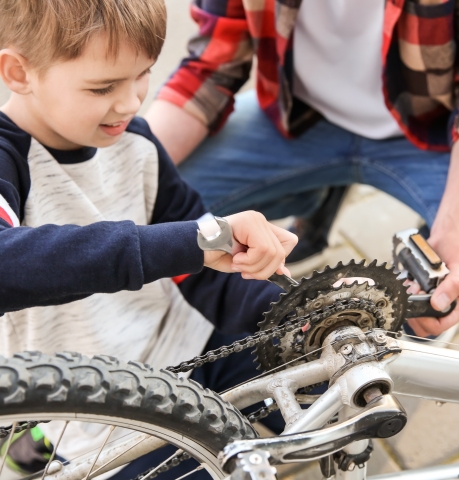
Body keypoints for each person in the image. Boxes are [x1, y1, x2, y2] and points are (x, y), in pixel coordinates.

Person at [0, 0, 297, 476]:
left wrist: (288, 311)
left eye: (142, 75)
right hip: (101, 409)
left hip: (193, 341)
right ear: (19, 72)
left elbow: (205, 270)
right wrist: (186, 241)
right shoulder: (9, 162)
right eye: (102, 87)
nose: (132, 102)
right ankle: (32, 450)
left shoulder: (136, 143)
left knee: (346, 384)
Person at [146, 0, 459, 339]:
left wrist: (451, 230)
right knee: (160, 200)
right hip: (301, 119)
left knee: (442, 288)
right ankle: (318, 196)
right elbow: (209, 68)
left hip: (429, 132)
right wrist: (127, 162)